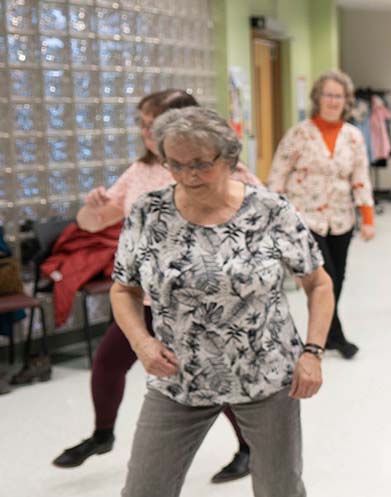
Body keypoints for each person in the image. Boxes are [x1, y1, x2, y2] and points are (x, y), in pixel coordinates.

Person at [112, 106, 334, 497]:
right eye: (175, 165)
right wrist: (142, 343)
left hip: (264, 377)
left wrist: (312, 352)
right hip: (178, 378)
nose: (187, 176)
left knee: (279, 490)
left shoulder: (269, 211)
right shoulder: (150, 212)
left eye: (200, 164)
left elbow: (318, 284)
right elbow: (123, 289)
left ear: (228, 158)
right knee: (143, 490)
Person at [55, 89, 260, 483]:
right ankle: (102, 435)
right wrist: (91, 207)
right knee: (108, 363)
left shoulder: (218, 168)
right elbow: (92, 223)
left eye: (154, 125)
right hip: (146, 299)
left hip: (200, 304)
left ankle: (248, 448)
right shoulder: (140, 171)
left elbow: (261, 215)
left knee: (214, 379)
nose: (147, 133)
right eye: (143, 125)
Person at [269, 69, 374, 360]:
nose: (333, 101)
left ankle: (327, 334)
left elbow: (360, 176)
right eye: (328, 95)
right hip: (305, 219)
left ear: (346, 100)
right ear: (318, 98)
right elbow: (278, 173)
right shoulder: (300, 134)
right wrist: (273, 218)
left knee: (337, 279)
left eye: (338, 96)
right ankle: (333, 337)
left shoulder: (353, 137)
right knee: (322, 278)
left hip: (341, 218)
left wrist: (368, 217)